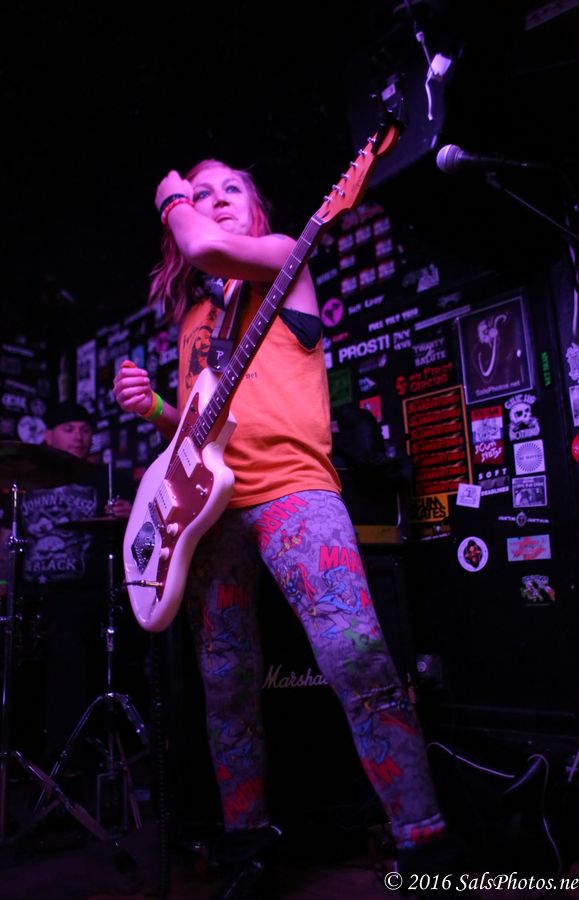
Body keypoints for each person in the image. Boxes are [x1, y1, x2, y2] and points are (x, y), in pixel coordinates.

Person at [113, 160, 452, 880]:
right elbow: (199, 434)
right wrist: (155, 408)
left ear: (257, 209)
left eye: (228, 190)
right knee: (225, 684)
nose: (213, 201)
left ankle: (424, 843)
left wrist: (171, 196)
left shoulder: (281, 257)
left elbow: (204, 246)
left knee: (357, 657)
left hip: (296, 492)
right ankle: (247, 845)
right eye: (200, 194)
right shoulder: (192, 321)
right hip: (211, 516)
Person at [14, 401, 132, 765]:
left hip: (87, 594)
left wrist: (132, 513)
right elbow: (6, 539)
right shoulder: (22, 480)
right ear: (48, 436)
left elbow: (143, 530)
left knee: (71, 629)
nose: (79, 437)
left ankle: (66, 761)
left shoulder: (107, 479)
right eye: (69, 429)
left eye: (85, 430)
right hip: (33, 594)